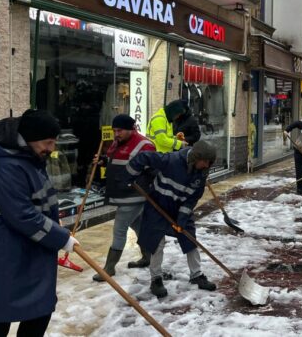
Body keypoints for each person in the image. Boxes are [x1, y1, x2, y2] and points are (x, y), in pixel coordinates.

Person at [0, 110, 79, 336]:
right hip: (2, 254)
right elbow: (22, 215)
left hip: (25, 248)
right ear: (30, 138)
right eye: (48, 142)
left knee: (39, 311)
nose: (51, 148)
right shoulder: (4, 166)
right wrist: (61, 238)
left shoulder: (27, 158)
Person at [126, 141, 219, 298]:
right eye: (205, 161)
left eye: (209, 163)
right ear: (196, 157)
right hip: (157, 205)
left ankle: (196, 275)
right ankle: (156, 279)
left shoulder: (201, 173)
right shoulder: (171, 160)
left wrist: (182, 218)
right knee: (157, 241)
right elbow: (144, 157)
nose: (206, 165)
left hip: (179, 208)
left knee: (190, 239)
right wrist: (130, 173)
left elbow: (192, 198)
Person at [91, 115, 156, 282]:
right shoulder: (118, 142)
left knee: (119, 229)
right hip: (121, 194)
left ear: (131, 129)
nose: (116, 134)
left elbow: (150, 171)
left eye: (119, 130)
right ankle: (148, 256)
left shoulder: (144, 145)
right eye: (114, 131)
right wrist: (104, 161)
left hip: (133, 196)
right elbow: (117, 160)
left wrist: (131, 183)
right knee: (138, 226)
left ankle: (109, 269)